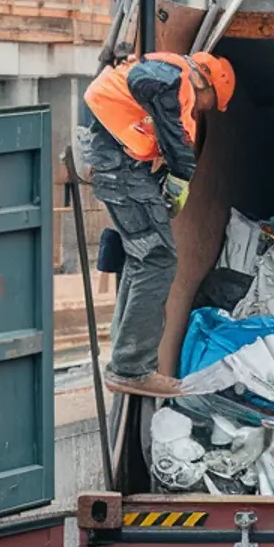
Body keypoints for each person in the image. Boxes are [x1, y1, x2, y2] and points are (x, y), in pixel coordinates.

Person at [83, 50, 236, 397]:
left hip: (121, 168)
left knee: (144, 261)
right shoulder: (171, 76)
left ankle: (125, 357)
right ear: (207, 83)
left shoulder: (171, 78)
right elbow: (146, 82)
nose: (201, 110)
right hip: (119, 170)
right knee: (157, 261)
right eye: (208, 103)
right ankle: (131, 368)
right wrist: (181, 172)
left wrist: (172, 175)